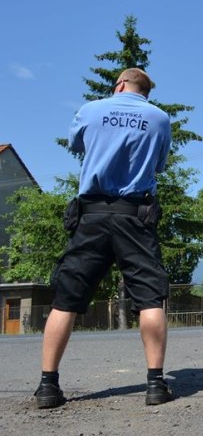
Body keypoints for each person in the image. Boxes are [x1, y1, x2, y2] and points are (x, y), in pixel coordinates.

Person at [34, 68, 173, 409]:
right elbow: (159, 166)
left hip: (92, 215)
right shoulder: (159, 119)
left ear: (119, 84)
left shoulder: (91, 110)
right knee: (151, 299)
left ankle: (48, 386)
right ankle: (155, 384)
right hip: (135, 217)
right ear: (145, 91)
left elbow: (76, 144)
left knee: (66, 299)